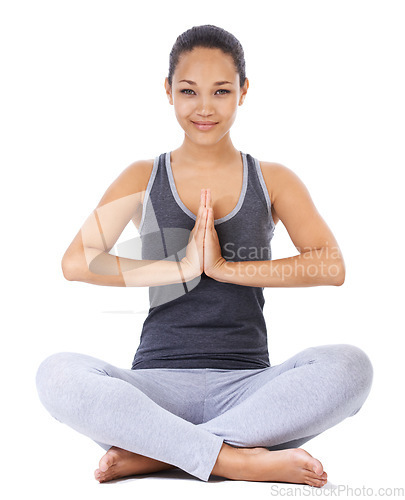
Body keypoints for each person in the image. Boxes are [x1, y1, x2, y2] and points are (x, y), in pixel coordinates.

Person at [35, 24, 373, 488]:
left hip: (249, 391)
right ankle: (234, 460)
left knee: (352, 366)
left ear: (243, 92)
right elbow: (78, 261)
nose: (205, 107)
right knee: (56, 374)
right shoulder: (141, 176)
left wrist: (224, 270)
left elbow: (330, 265)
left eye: (221, 91)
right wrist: (181, 269)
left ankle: (160, 453)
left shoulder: (274, 179)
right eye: (189, 91)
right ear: (168, 92)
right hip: (155, 390)